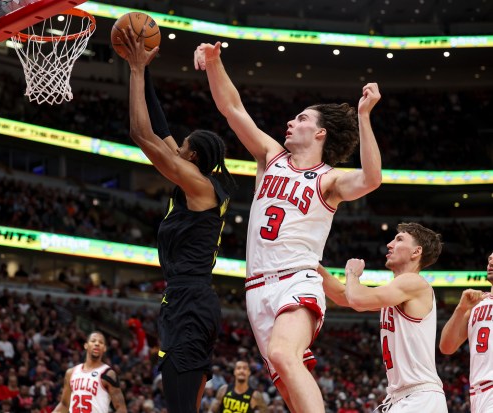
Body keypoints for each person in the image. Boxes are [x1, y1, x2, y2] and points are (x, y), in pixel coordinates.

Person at [194, 42, 382, 412]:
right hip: (256, 289)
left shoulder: (328, 180)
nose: (290, 123)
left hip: (297, 278)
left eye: (301, 120)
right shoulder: (271, 156)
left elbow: (372, 179)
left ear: (320, 133)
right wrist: (215, 64)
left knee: (283, 353)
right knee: (288, 387)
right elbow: (232, 109)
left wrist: (364, 116)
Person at [119, 26, 237, 413]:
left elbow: (140, 132)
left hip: (190, 301)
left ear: (193, 158)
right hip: (184, 300)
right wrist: (146, 71)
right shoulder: (195, 180)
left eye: (183, 148)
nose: (176, 146)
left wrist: (135, 71)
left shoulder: (199, 185)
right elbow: (160, 127)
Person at [320, 222, 447, 412]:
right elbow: (342, 295)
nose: (389, 244)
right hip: (403, 397)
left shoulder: (413, 282)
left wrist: (352, 272)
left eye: (399, 239)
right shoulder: (397, 290)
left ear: (416, 252)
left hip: (419, 397)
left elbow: (357, 299)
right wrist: (311, 264)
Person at [439, 251, 493, 413]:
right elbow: (446, 347)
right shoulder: (477, 303)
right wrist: (461, 309)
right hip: (478, 392)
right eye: (489, 259)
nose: (491, 262)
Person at [52, 331, 126, 413]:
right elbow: (64, 405)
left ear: (104, 348)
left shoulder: (108, 374)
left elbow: (121, 409)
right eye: (93, 341)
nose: (97, 344)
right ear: (86, 345)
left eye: (101, 342)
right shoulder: (71, 373)